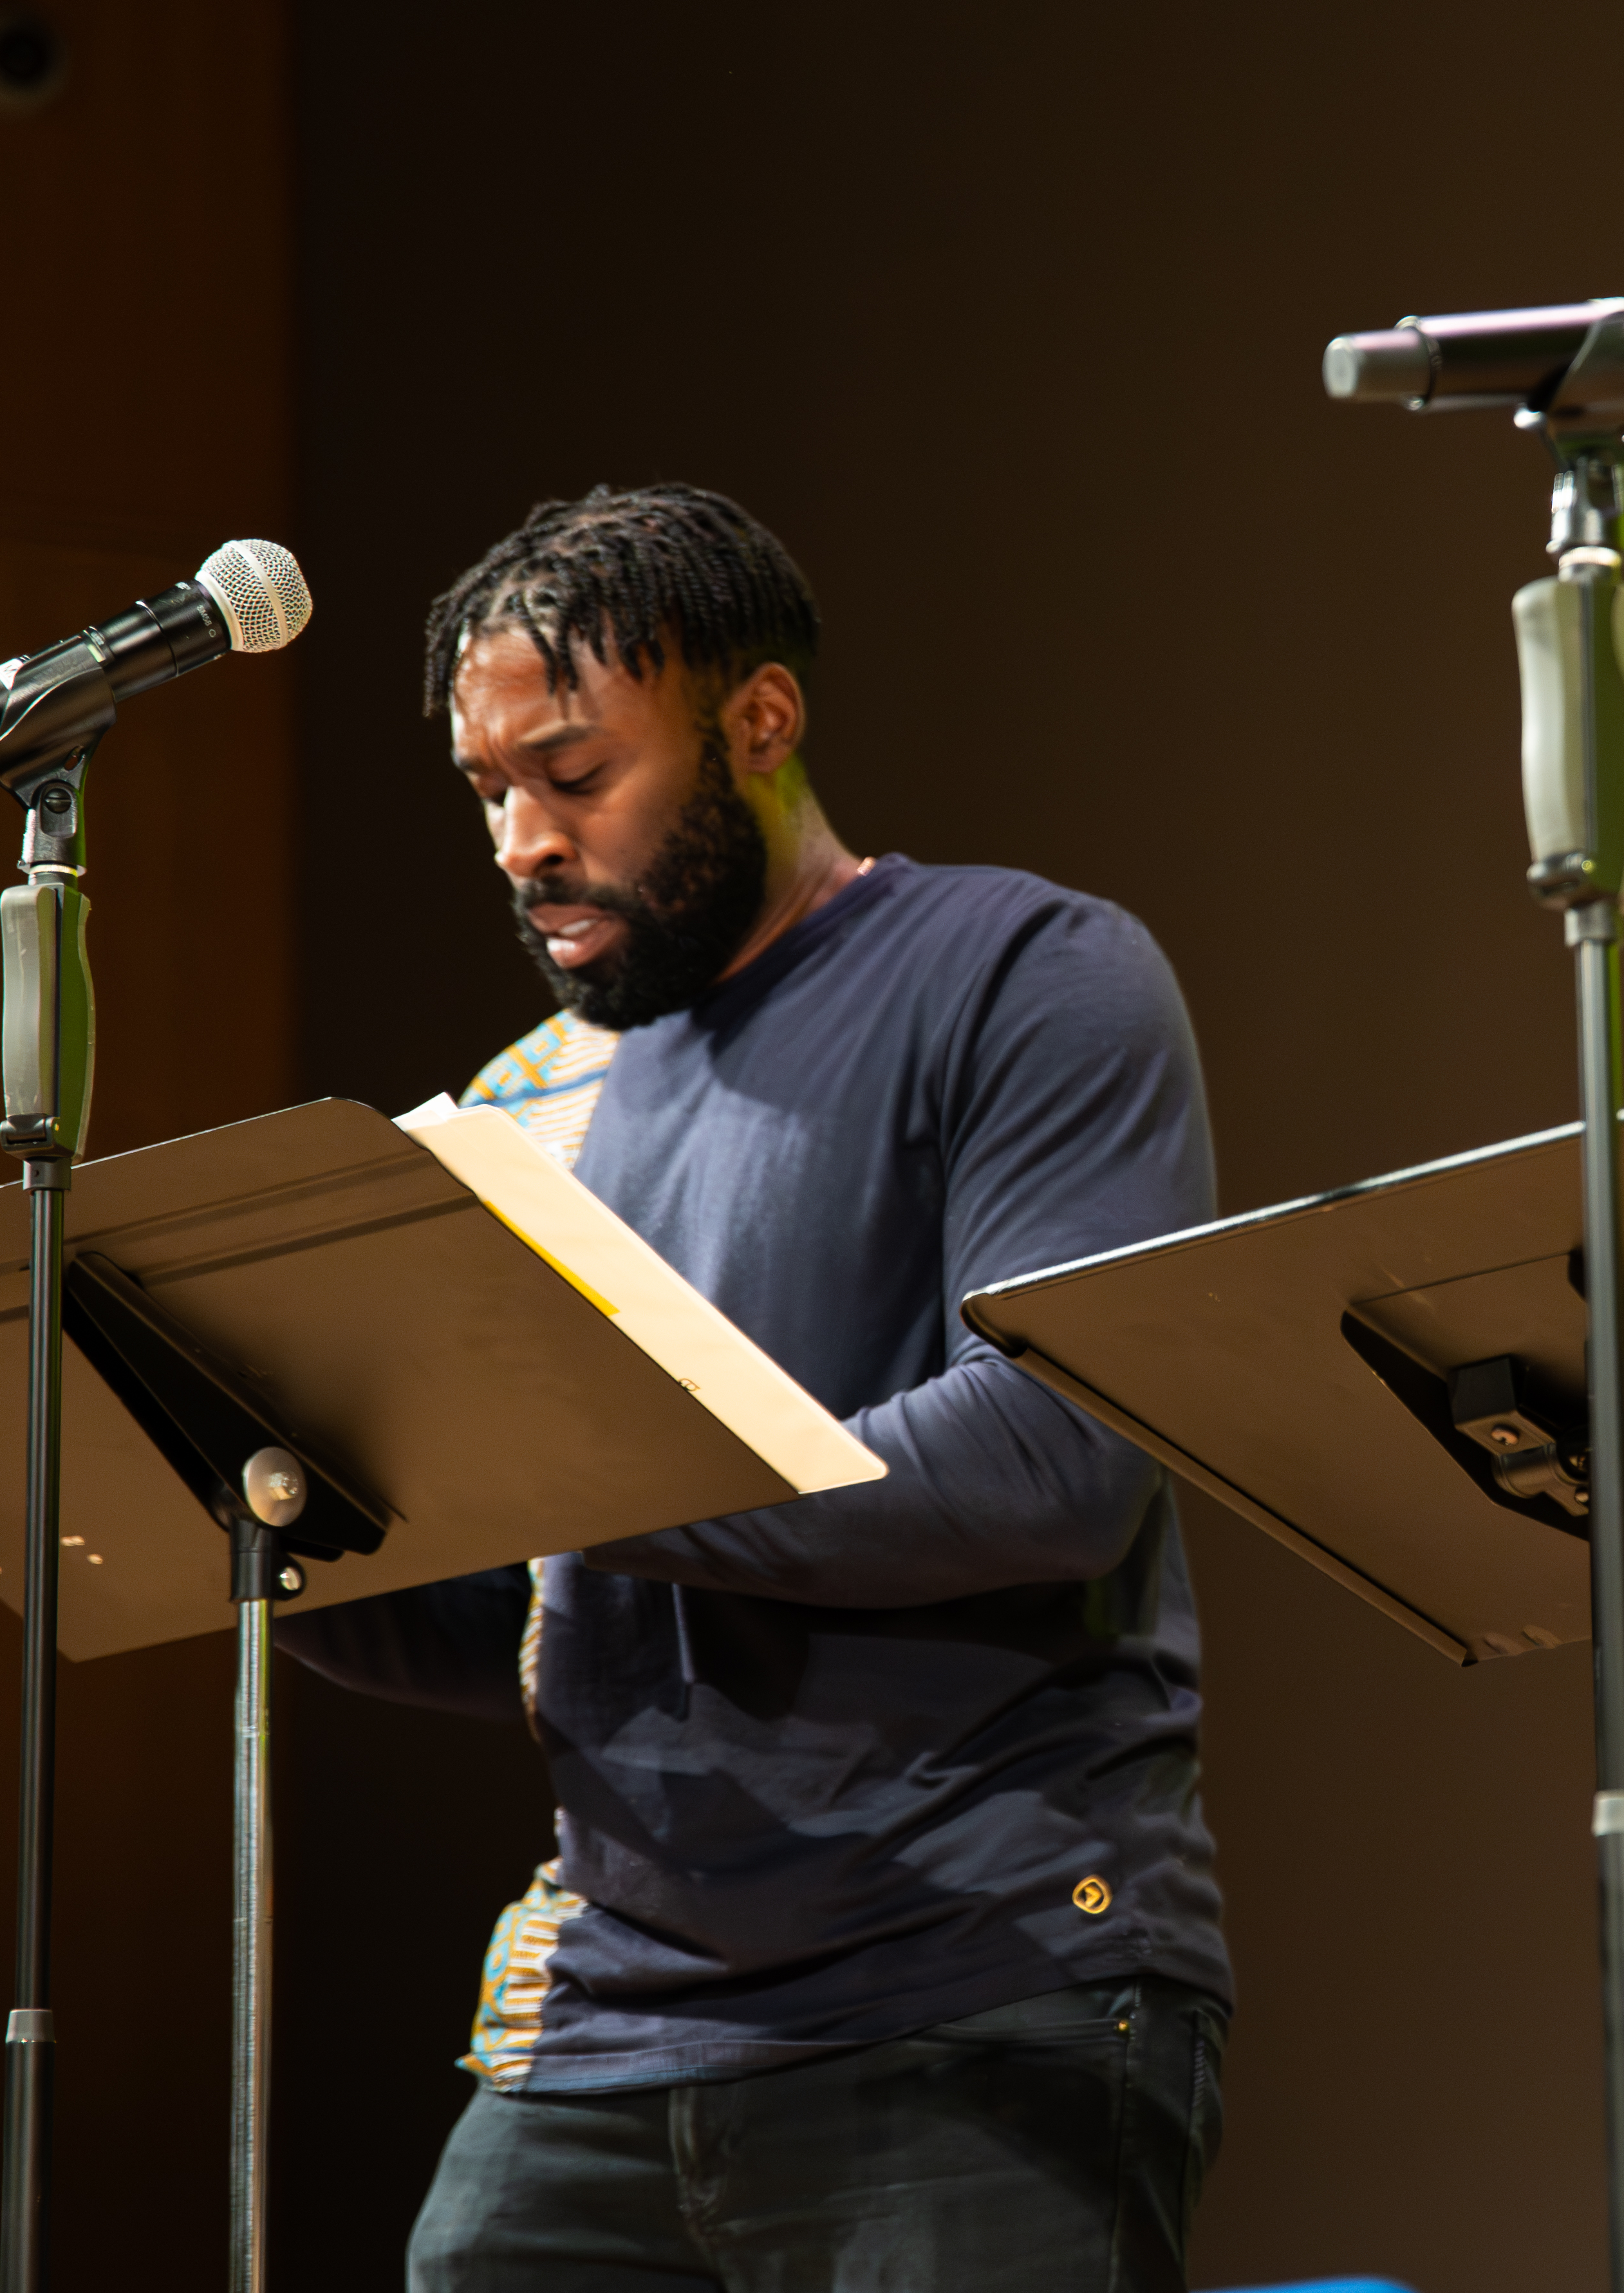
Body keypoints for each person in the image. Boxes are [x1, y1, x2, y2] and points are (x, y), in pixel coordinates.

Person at [279, 484, 1229, 2292]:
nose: (519, 841)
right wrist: (279, 1519)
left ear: (759, 724)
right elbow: (520, 1610)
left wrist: (577, 1458)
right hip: (606, 2024)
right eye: (486, 792)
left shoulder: (1027, 973)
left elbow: (1054, 1456)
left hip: (975, 1976)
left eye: (571, 773)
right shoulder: (520, 1103)